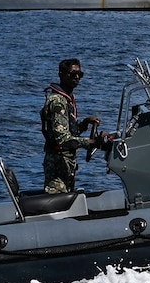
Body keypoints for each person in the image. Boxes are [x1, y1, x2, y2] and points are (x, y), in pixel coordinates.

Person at [42, 58, 104, 194]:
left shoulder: (67, 99)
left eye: (79, 75)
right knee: (57, 199)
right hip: (58, 164)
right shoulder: (58, 102)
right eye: (72, 74)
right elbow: (63, 139)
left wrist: (84, 124)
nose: (76, 77)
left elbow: (69, 130)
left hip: (67, 164)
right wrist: (91, 142)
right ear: (61, 74)